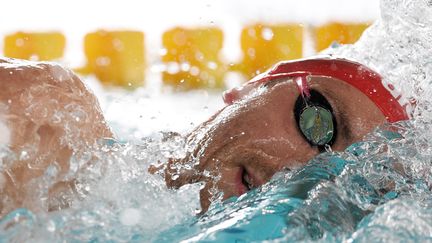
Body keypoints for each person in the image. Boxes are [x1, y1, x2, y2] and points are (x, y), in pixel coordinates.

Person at [0, 56, 408, 215]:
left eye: (345, 182)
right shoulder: (41, 118)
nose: (301, 176)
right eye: (321, 126)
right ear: (253, 86)